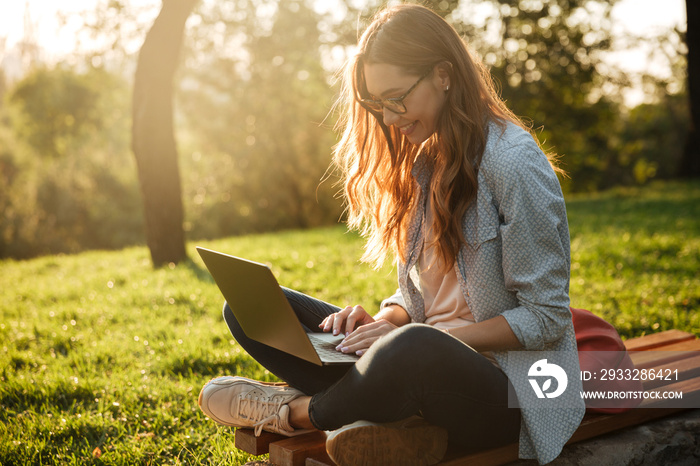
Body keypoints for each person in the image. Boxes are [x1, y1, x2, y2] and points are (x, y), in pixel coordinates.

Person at [198, 4, 585, 465]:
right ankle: (396, 422)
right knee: (251, 307)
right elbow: (429, 296)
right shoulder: (426, 159)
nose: (388, 117)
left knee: (415, 347)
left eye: (396, 98)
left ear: (443, 74)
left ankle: (297, 412)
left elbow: (545, 318)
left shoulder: (513, 163)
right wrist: (389, 319)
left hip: (507, 394)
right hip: (420, 361)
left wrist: (427, 335)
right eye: (376, 104)